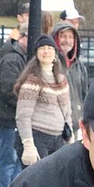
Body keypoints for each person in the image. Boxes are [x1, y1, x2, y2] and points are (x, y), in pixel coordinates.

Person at [14, 34, 72, 168]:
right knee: (38, 185)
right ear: (37, 54)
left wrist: (70, 140)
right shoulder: (32, 80)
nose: (46, 51)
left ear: (55, 53)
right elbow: (23, 116)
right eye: (42, 48)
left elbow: (67, 112)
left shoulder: (62, 79)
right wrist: (28, 145)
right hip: (38, 138)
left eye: (50, 48)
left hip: (58, 140)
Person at [0, 31, 27, 187]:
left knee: (15, 160)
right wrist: (28, 102)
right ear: (21, 38)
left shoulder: (20, 58)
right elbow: (9, 89)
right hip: (8, 118)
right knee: (9, 160)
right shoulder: (13, 59)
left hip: (12, 117)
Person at [52, 20, 88, 130]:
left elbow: (84, 94)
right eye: (63, 36)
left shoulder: (79, 66)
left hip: (75, 124)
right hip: (54, 125)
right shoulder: (51, 63)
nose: (67, 41)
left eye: (70, 37)